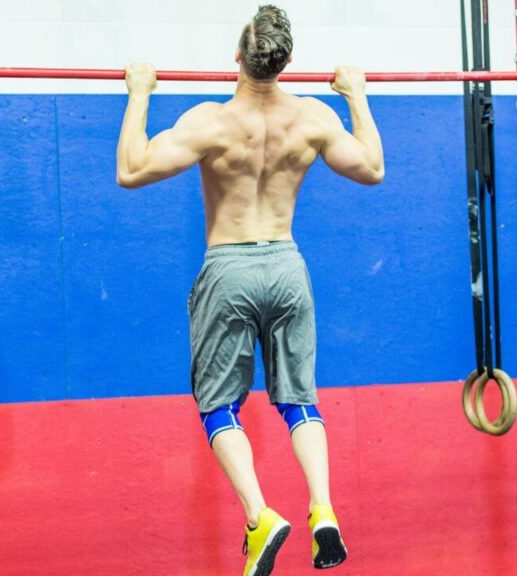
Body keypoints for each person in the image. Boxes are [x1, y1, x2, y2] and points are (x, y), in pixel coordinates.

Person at [115, 5, 384, 575]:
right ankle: (323, 507)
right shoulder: (312, 119)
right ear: (286, 62)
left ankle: (261, 515)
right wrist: (356, 95)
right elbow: (371, 168)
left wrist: (139, 91)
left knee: (218, 405)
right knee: (299, 401)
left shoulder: (212, 122)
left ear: (238, 56)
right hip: (287, 265)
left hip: (230, 267)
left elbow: (131, 170)